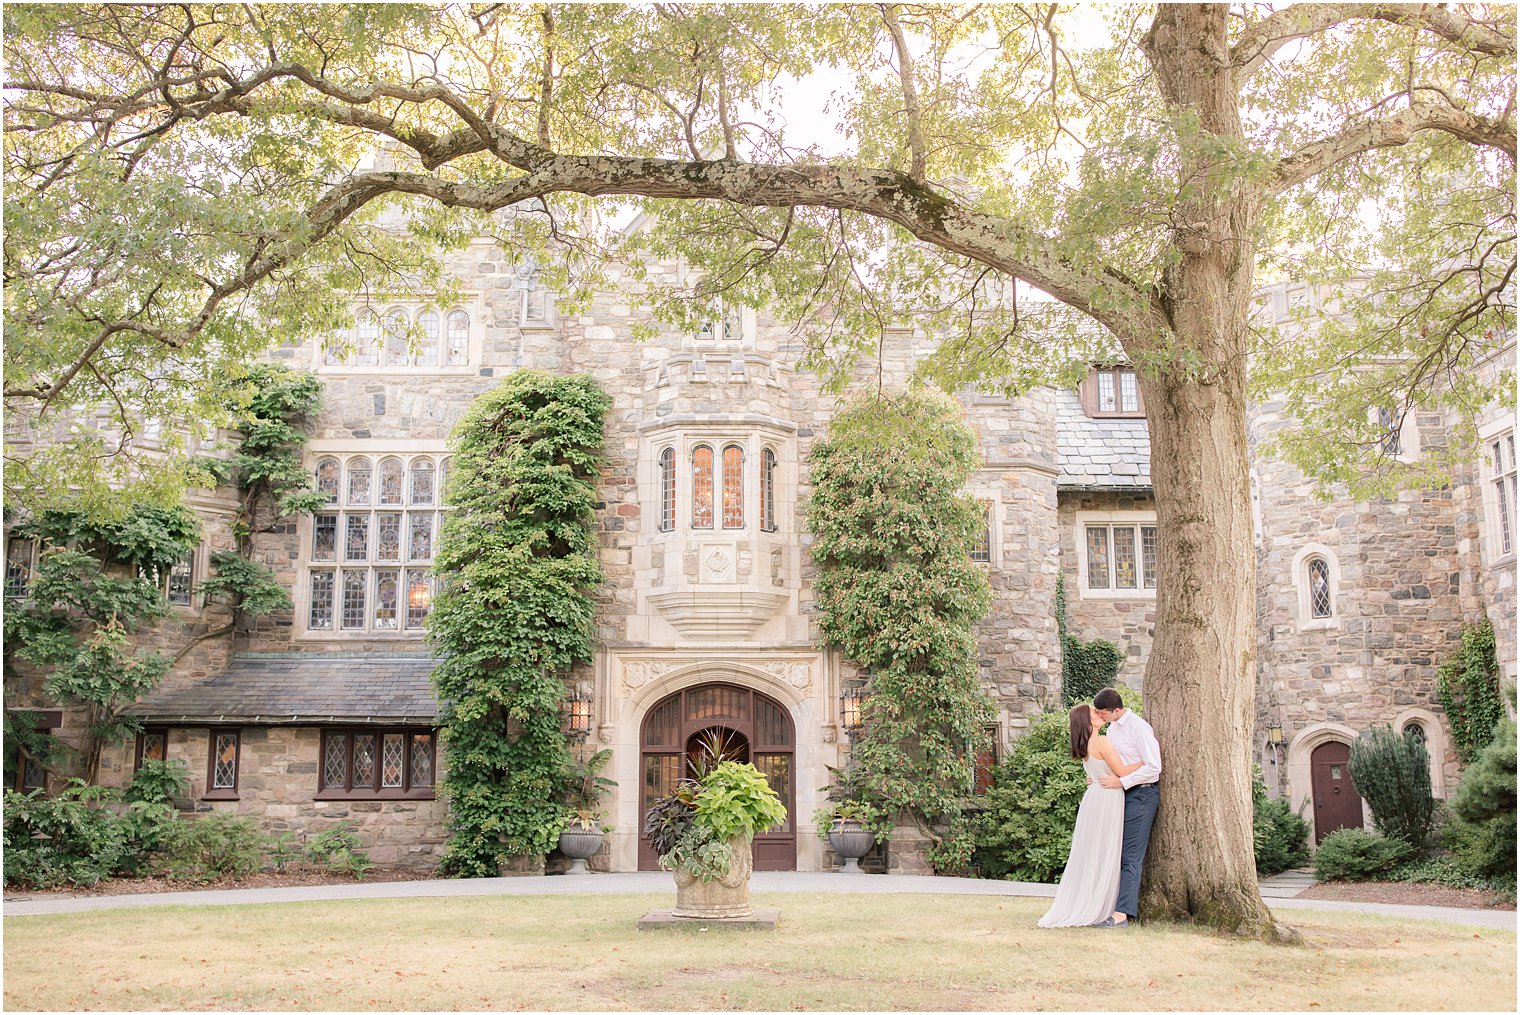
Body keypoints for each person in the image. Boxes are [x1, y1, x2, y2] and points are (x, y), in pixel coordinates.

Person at [1036, 702, 1145, 928]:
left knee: (1095, 850)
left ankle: (1094, 899)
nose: (1099, 712)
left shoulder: (1086, 746)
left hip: (1095, 798)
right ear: (1087, 721)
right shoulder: (1102, 742)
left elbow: (1098, 772)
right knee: (1106, 850)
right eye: (1094, 712)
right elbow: (1123, 771)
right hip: (1107, 798)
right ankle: (1102, 904)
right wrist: (1145, 761)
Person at [1093, 686, 1162, 928]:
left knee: (1130, 856)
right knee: (1115, 851)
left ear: (1117, 710)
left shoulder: (1139, 728)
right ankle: (1108, 906)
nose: (1099, 717)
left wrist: (1121, 782)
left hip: (1142, 796)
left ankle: (1122, 914)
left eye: (1102, 713)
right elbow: (1118, 763)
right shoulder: (1111, 730)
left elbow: (1153, 767)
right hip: (1120, 795)